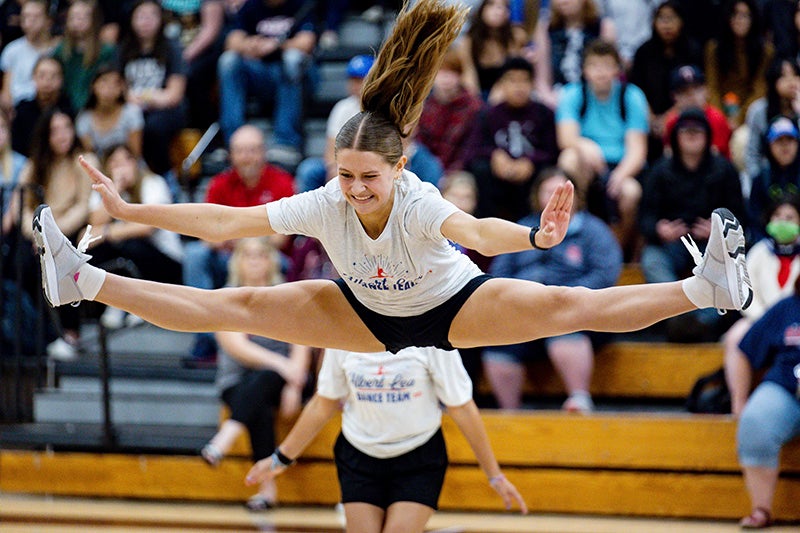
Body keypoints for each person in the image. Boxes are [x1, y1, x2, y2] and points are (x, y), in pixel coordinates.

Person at [34, 0, 752, 377]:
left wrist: (534, 237)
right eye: (344, 174)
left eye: (366, 178)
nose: (352, 189)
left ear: (399, 166)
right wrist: (130, 208)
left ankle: (707, 288)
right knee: (233, 303)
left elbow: (477, 234)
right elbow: (223, 223)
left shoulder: (416, 200)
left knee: (572, 305)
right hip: (361, 314)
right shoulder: (325, 198)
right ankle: (82, 280)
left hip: (452, 307)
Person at [245, 343, 528, 531]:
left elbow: (463, 408)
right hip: (359, 455)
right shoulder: (343, 335)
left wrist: (495, 476)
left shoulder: (431, 338)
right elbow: (323, 403)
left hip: (418, 457)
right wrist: (279, 458)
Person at [482, 168, 621, 412]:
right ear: (537, 196)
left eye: (562, 192)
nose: (555, 197)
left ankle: (579, 400)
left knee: (564, 330)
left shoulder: (593, 231)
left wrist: (564, 297)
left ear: (576, 197)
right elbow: (499, 273)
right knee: (497, 345)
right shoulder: (522, 229)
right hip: (524, 311)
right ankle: (510, 414)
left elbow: (605, 274)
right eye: (549, 191)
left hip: (577, 311)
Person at [200, 237, 312, 511]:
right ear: (237, 260)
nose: (254, 261)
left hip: (285, 384)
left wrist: (293, 384)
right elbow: (236, 346)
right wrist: (282, 366)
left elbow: (303, 341)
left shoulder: (285, 295)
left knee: (266, 378)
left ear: (271, 260)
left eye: (261, 255)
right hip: (237, 383)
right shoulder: (225, 296)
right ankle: (266, 489)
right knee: (259, 398)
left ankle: (225, 439)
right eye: (247, 255)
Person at [181, 124, 294, 366]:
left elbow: (280, 239)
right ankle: (207, 339)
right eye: (241, 151)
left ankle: (271, 340)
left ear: (264, 152)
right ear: (231, 155)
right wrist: (250, 237)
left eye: (253, 150)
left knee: (263, 258)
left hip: (272, 260)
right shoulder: (220, 184)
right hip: (228, 258)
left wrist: (232, 237)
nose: (247, 157)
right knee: (194, 255)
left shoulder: (282, 182)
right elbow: (205, 235)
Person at [639, 108, 745, 341]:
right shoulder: (659, 170)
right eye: (685, 130)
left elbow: (741, 216)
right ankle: (676, 313)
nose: (691, 135)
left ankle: (701, 321)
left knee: (731, 266)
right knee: (651, 260)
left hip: (713, 244)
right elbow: (644, 216)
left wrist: (719, 231)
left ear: (707, 135)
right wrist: (659, 229)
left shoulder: (725, 169)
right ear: (675, 136)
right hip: (672, 243)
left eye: (697, 131)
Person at [19, 107, 100, 360]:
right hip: (38, 231)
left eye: (66, 127)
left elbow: (83, 205)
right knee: (23, 262)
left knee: (69, 256)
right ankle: (42, 334)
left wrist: (51, 235)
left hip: (70, 228)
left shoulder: (84, 160)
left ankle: (70, 331)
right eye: (55, 131)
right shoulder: (35, 164)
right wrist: (36, 234)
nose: (63, 135)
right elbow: (24, 205)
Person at [556, 38, 648, 253]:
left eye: (607, 66)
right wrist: (585, 145)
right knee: (568, 158)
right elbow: (566, 138)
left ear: (618, 69)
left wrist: (621, 175)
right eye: (594, 66)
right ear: (584, 69)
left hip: (622, 166)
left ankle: (618, 251)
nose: (601, 72)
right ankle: (573, 236)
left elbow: (638, 148)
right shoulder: (572, 93)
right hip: (588, 162)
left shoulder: (631, 95)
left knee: (631, 193)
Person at [85, 143, 183, 329]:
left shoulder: (153, 183)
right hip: (130, 258)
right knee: (98, 249)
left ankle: (139, 305)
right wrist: (117, 191)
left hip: (166, 261)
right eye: (114, 163)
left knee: (130, 244)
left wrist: (107, 232)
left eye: (126, 161)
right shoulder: (102, 191)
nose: (121, 168)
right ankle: (117, 302)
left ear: (136, 163)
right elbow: (91, 227)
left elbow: (148, 227)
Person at [726, 281, 800, 529]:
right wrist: (740, 401)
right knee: (756, 422)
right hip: (787, 387)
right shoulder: (787, 307)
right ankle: (761, 509)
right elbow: (743, 347)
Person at [217, 0, 317, 166]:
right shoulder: (251, 6)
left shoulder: (301, 5)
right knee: (228, 60)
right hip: (261, 73)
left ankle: (286, 141)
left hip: (297, 79)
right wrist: (251, 44)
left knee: (293, 58)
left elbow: (307, 43)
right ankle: (235, 139)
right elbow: (232, 42)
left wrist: (277, 45)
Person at [464, 56, 558, 222]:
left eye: (524, 81)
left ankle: (536, 228)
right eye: (512, 81)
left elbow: (552, 151)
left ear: (532, 84)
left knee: (546, 174)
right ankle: (485, 229)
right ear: (501, 84)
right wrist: (495, 155)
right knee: (480, 169)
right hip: (497, 177)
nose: (518, 87)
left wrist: (530, 161)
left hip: (531, 177)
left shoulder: (544, 114)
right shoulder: (488, 114)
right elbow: (472, 150)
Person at [120, 0, 188, 177]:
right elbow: (118, 87)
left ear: (161, 19)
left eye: (152, 16)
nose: (146, 21)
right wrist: (132, 99)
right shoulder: (123, 49)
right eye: (141, 16)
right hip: (133, 107)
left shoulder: (171, 47)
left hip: (167, 108)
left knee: (154, 128)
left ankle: (166, 177)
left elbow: (175, 93)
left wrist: (144, 97)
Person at [294, 54, 374, 194]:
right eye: (353, 80)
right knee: (309, 169)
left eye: (361, 80)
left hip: (373, 164)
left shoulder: (384, 108)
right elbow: (331, 149)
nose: (356, 85)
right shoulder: (342, 107)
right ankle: (305, 214)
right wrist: (334, 168)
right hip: (345, 164)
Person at [704, 0, 773, 130]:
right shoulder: (713, 48)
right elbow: (712, 87)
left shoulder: (765, 51)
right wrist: (721, 119)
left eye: (745, 15)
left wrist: (739, 119)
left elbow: (759, 89)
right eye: (735, 15)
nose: (740, 20)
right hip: (719, 111)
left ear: (753, 19)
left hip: (749, 113)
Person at [417, 47, 484, 174]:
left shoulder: (473, 107)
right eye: (441, 72)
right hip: (426, 171)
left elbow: (469, 148)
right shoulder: (423, 106)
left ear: (460, 75)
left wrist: (452, 173)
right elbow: (419, 144)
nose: (446, 79)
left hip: (460, 172)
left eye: (451, 73)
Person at [161, 0, 226, 130]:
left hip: (202, 52)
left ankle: (206, 131)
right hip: (166, 52)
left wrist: (183, 56)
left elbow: (210, 30)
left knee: (191, 75)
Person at [51, 0, 119, 113]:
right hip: (65, 107)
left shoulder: (106, 51)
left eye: (84, 17)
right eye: (74, 17)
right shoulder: (60, 51)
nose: (78, 21)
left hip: (95, 107)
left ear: (94, 20)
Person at [456, 0, 526, 101]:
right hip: (477, 91)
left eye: (504, 7)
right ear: (482, 9)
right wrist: (476, 100)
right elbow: (468, 73)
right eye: (492, 5)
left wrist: (499, 92)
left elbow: (512, 71)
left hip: (505, 92)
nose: (498, 11)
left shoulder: (516, 36)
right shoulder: (468, 41)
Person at [662, 64, 732, 160]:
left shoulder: (716, 118)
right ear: (674, 97)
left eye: (696, 89)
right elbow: (669, 154)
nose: (692, 96)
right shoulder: (672, 121)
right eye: (684, 91)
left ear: (706, 91)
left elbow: (715, 156)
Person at [76, 66, 144, 160]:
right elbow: (89, 154)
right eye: (104, 81)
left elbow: (135, 153)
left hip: (129, 165)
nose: (109, 88)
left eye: (116, 83)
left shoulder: (132, 112)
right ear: (93, 85)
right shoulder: (84, 118)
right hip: (99, 168)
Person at [0, 0, 56, 113]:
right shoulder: (12, 50)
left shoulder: (56, 49)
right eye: (26, 16)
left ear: (48, 21)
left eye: (36, 17)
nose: (30, 21)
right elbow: (6, 91)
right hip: (18, 109)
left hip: (48, 107)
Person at [12, 56, 73, 157]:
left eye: (53, 76)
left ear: (61, 79)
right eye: (42, 75)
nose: (47, 81)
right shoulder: (22, 109)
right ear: (33, 77)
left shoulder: (68, 108)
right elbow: (16, 146)